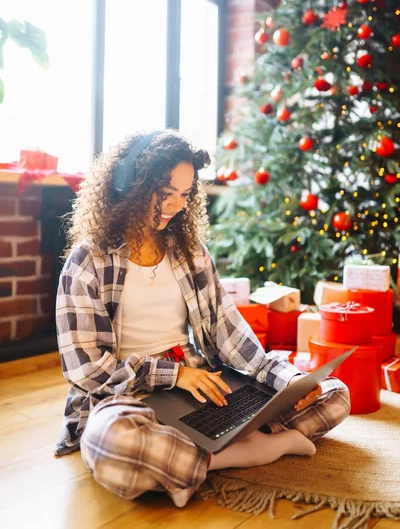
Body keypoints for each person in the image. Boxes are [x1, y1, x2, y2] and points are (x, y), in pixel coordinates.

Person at [55, 129, 350, 508]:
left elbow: (230, 336)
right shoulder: (88, 260)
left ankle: (183, 465)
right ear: (129, 182)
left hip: (202, 387)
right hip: (129, 398)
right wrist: (173, 374)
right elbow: (87, 371)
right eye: (165, 192)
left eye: (184, 194)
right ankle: (251, 450)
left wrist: (289, 381)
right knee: (110, 441)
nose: (175, 205)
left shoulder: (191, 252)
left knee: (335, 395)